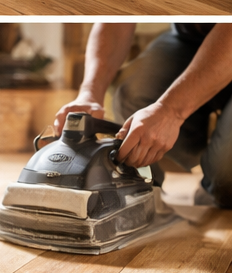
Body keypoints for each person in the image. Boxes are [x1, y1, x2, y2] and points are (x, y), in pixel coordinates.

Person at [53, 23, 232, 207]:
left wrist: (170, 111)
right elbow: (115, 21)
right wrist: (90, 91)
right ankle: (144, 193)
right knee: (133, 95)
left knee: (224, 183)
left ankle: (216, 185)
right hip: (190, 39)